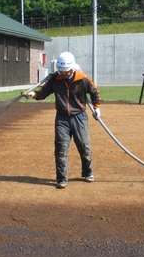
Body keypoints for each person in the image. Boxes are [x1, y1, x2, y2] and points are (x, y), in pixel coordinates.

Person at [24, 52, 102, 189]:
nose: (63, 73)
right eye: (61, 71)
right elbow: (43, 92)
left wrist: (97, 108)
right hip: (62, 118)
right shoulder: (55, 79)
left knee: (84, 147)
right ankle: (61, 178)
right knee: (61, 149)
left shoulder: (82, 78)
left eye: (65, 71)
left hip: (80, 117)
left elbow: (94, 91)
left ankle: (87, 172)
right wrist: (33, 94)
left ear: (72, 69)